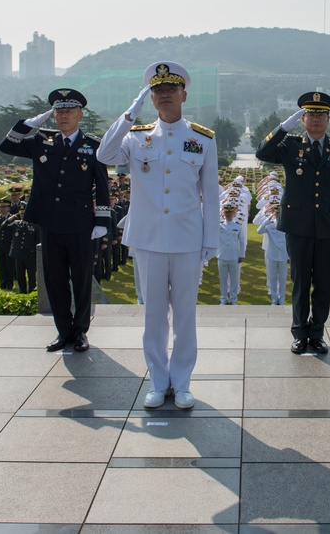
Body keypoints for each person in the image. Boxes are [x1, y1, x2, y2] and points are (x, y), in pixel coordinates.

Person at [97, 61, 219, 409]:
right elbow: (104, 154)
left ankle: (181, 383)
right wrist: (128, 114)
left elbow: (210, 194)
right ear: (149, 97)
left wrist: (210, 240)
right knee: (152, 317)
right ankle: (157, 380)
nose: (164, 95)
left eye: (170, 89)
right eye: (157, 90)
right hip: (148, 239)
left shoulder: (201, 138)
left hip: (186, 240)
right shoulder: (136, 136)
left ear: (184, 94)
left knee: (184, 316)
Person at [0, 88, 111, 353]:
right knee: (55, 280)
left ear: (80, 115)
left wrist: (101, 222)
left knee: (82, 279)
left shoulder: (94, 146)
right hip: (49, 222)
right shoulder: (41, 140)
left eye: (69, 111)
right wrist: (29, 124)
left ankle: (81, 331)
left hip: (81, 223)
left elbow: (103, 187)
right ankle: (63, 331)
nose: (63, 116)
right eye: (59, 111)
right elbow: (6, 146)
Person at [255, 91, 330, 355]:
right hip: (297, 226)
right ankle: (299, 333)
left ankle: (317, 333)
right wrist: (284, 127)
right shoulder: (290, 145)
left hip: (328, 226)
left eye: (321, 114)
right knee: (300, 282)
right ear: (303, 118)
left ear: (328, 119)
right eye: (311, 114)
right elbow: (262, 152)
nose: (316, 119)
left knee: (321, 284)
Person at [256, 202, 289, 305]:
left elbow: (290, 241)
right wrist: (267, 219)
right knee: (273, 278)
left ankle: (282, 300)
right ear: (273, 213)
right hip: (272, 255)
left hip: (283, 255)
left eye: (279, 213)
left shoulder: (286, 224)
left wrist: (289, 256)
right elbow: (259, 231)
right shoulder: (270, 225)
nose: (277, 215)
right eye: (276, 213)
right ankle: (274, 300)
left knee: (283, 279)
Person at [217, 201, 247, 304]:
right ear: (223, 213)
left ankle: (234, 299)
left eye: (230, 213)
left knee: (234, 280)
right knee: (223, 279)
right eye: (226, 212)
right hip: (222, 255)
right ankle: (223, 299)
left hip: (234, 256)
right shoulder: (219, 225)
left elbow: (242, 242)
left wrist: (242, 255)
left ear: (233, 213)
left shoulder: (238, 226)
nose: (228, 215)